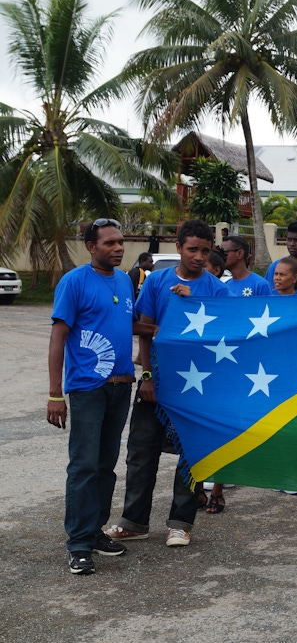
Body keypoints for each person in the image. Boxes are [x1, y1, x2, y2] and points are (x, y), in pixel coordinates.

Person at [106, 220, 229, 548]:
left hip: (199, 387)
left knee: (191, 453)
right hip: (157, 379)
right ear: (178, 248)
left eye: (205, 251)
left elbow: (228, 337)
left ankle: (181, 522)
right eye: (193, 249)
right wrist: (147, 376)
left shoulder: (218, 291)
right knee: (141, 451)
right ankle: (133, 521)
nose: (200, 257)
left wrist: (194, 305)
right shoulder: (157, 281)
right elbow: (144, 331)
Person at [48, 218, 153, 574]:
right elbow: (58, 337)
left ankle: (95, 532)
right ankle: (78, 545)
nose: (118, 248)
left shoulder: (125, 281)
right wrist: (54, 395)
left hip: (121, 386)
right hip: (87, 389)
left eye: (120, 242)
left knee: (106, 465)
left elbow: (126, 323)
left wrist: (166, 326)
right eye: (109, 243)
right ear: (91, 247)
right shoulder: (74, 282)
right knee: (83, 467)